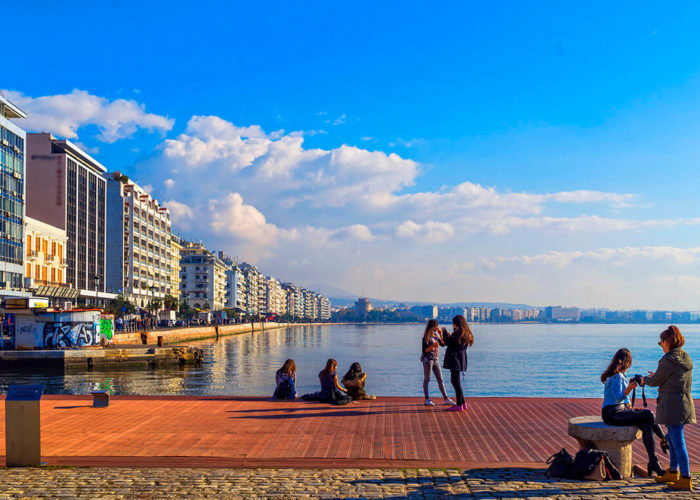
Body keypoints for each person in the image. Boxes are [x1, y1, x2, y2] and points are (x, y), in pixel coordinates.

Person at [600, 348, 667, 477]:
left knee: (647, 426)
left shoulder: (615, 375)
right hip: (613, 413)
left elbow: (620, 397)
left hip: (615, 412)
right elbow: (617, 398)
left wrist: (630, 387)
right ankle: (664, 439)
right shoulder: (617, 376)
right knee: (648, 414)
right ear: (625, 362)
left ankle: (654, 463)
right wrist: (630, 388)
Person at [645, 325, 696, 491]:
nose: (661, 346)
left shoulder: (667, 360)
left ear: (667, 342)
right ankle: (673, 472)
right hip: (684, 403)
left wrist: (644, 379)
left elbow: (654, 382)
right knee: (673, 439)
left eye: (661, 343)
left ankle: (685, 477)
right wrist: (657, 377)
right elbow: (675, 379)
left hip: (671, 405)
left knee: (678, 441)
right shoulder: (686, 357)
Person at [442, 315, 473, 411]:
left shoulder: (458, 333)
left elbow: (448, 342)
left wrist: (443, 333)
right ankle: (462, 403)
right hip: (461, 358)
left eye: (453, 323)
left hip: (454, 359)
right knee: (456, 381)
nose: (452, 324)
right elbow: (455, 342)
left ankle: (459, 405)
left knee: (455, 381)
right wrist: (449, 334)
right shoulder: (465, 333)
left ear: (456, 323)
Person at [421, 320, 454, 407]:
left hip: (436, 359)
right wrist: (433, 346)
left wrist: (440, 334)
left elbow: (443, 344)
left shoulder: (436, 335)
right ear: (433, 326)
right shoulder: (426, 337)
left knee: (440, 379)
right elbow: (424, 350)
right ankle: (427, 399)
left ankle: (446, 398)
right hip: (428, 360)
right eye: (436, 326)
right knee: (427, 379)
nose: (437, 328)